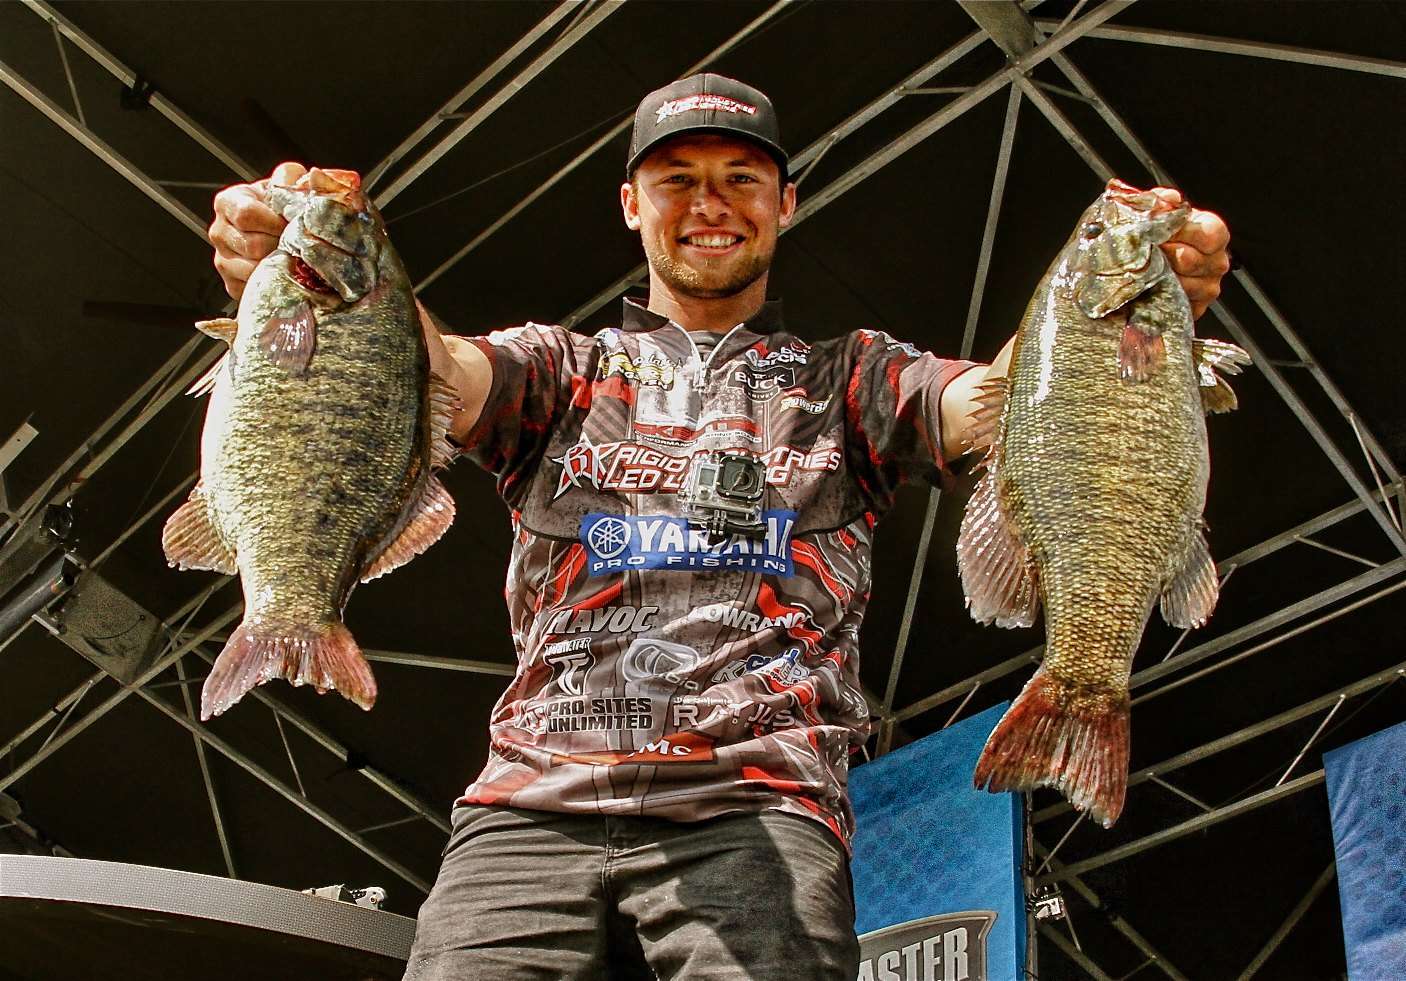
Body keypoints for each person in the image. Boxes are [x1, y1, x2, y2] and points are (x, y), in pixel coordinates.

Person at [209, 74, 1230, 980]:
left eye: (741, 178)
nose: (710, 204)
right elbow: (423, 368)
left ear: (784, 203)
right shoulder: (554, 370)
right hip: (525, 810)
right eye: (677, 178)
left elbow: (1004, 403)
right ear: (629, 204)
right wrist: (304, 272)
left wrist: (1121, 323)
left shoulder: (854, 381)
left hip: (760, 811)